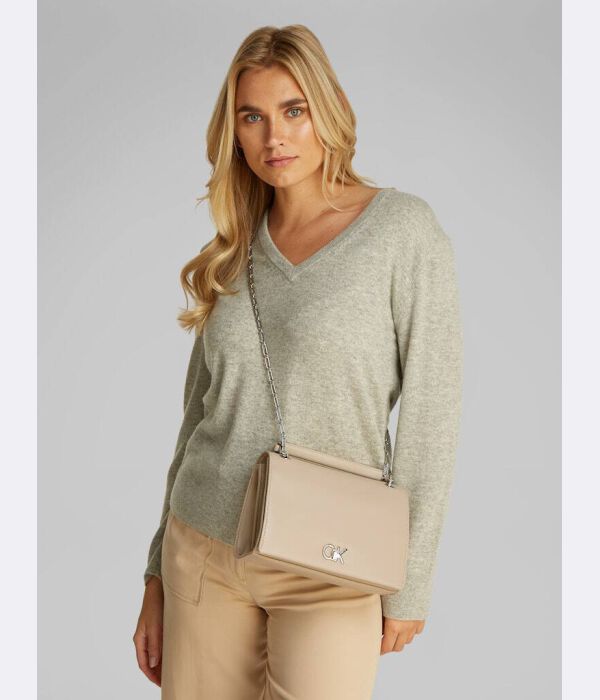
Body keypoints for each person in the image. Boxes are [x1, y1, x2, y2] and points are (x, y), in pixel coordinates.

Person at [133, 23, 463, 700]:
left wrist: (411, 582)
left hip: (332, 559)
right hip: (204, 549)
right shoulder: (233, 249)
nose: (274, 138)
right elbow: (197, 418)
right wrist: (157, 573)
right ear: (234, 131)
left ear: (330, 108)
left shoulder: (401, 231)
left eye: (294, 110)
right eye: (252, 117)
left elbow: (432, 415)